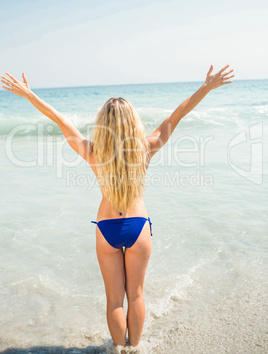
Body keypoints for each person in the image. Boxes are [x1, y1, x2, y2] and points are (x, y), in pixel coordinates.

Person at [1, 64, 234, 350]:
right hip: (138, 227)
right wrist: (205, 88)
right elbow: (178, 114)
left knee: (114, 299)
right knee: (135, 296)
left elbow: (58, 118)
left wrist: (28, 95)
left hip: (107, 229)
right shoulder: (147, 147)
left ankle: (118, 349)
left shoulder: (92, 151)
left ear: (103, 124)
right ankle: (135, 348)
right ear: (133, 122)